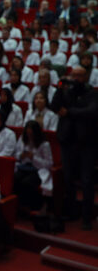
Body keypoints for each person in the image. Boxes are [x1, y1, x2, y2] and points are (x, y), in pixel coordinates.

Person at [50, 66, 98, 230]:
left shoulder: (92, 93)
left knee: (86, 181)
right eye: (74, 75)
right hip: (68, 142)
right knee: (68, 179)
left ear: (86, 77)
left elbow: (91, 112)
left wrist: (69, 112)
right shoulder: (67, 92)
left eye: (79, 76)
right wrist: (59, 88)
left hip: (86, 144)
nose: (76, 78)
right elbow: (55, 106)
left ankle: (86, 217)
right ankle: (72, 211)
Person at [14, 121, 53, 212]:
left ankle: (33, 206)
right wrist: (21, 155)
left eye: (31, 134)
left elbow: (49, 163)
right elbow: (16, 154)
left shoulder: (44, 144)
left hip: (38, 169)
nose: (29, 136)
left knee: (27, 182)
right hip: (24, 166)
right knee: (15, 179)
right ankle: (19, 206)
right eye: (28, 134)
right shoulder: (22, 139)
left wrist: (34, 157)